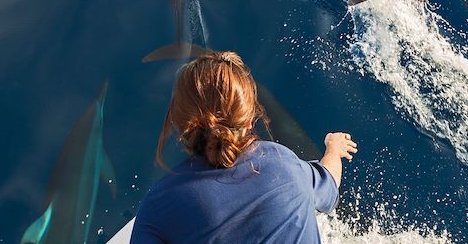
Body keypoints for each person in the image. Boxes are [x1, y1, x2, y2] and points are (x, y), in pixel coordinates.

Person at [130, 51, 357, 243]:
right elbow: (329, 186)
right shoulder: (284, 163)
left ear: (180, 124)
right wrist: (333, 149)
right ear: (249, 120)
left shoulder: (159, 206)